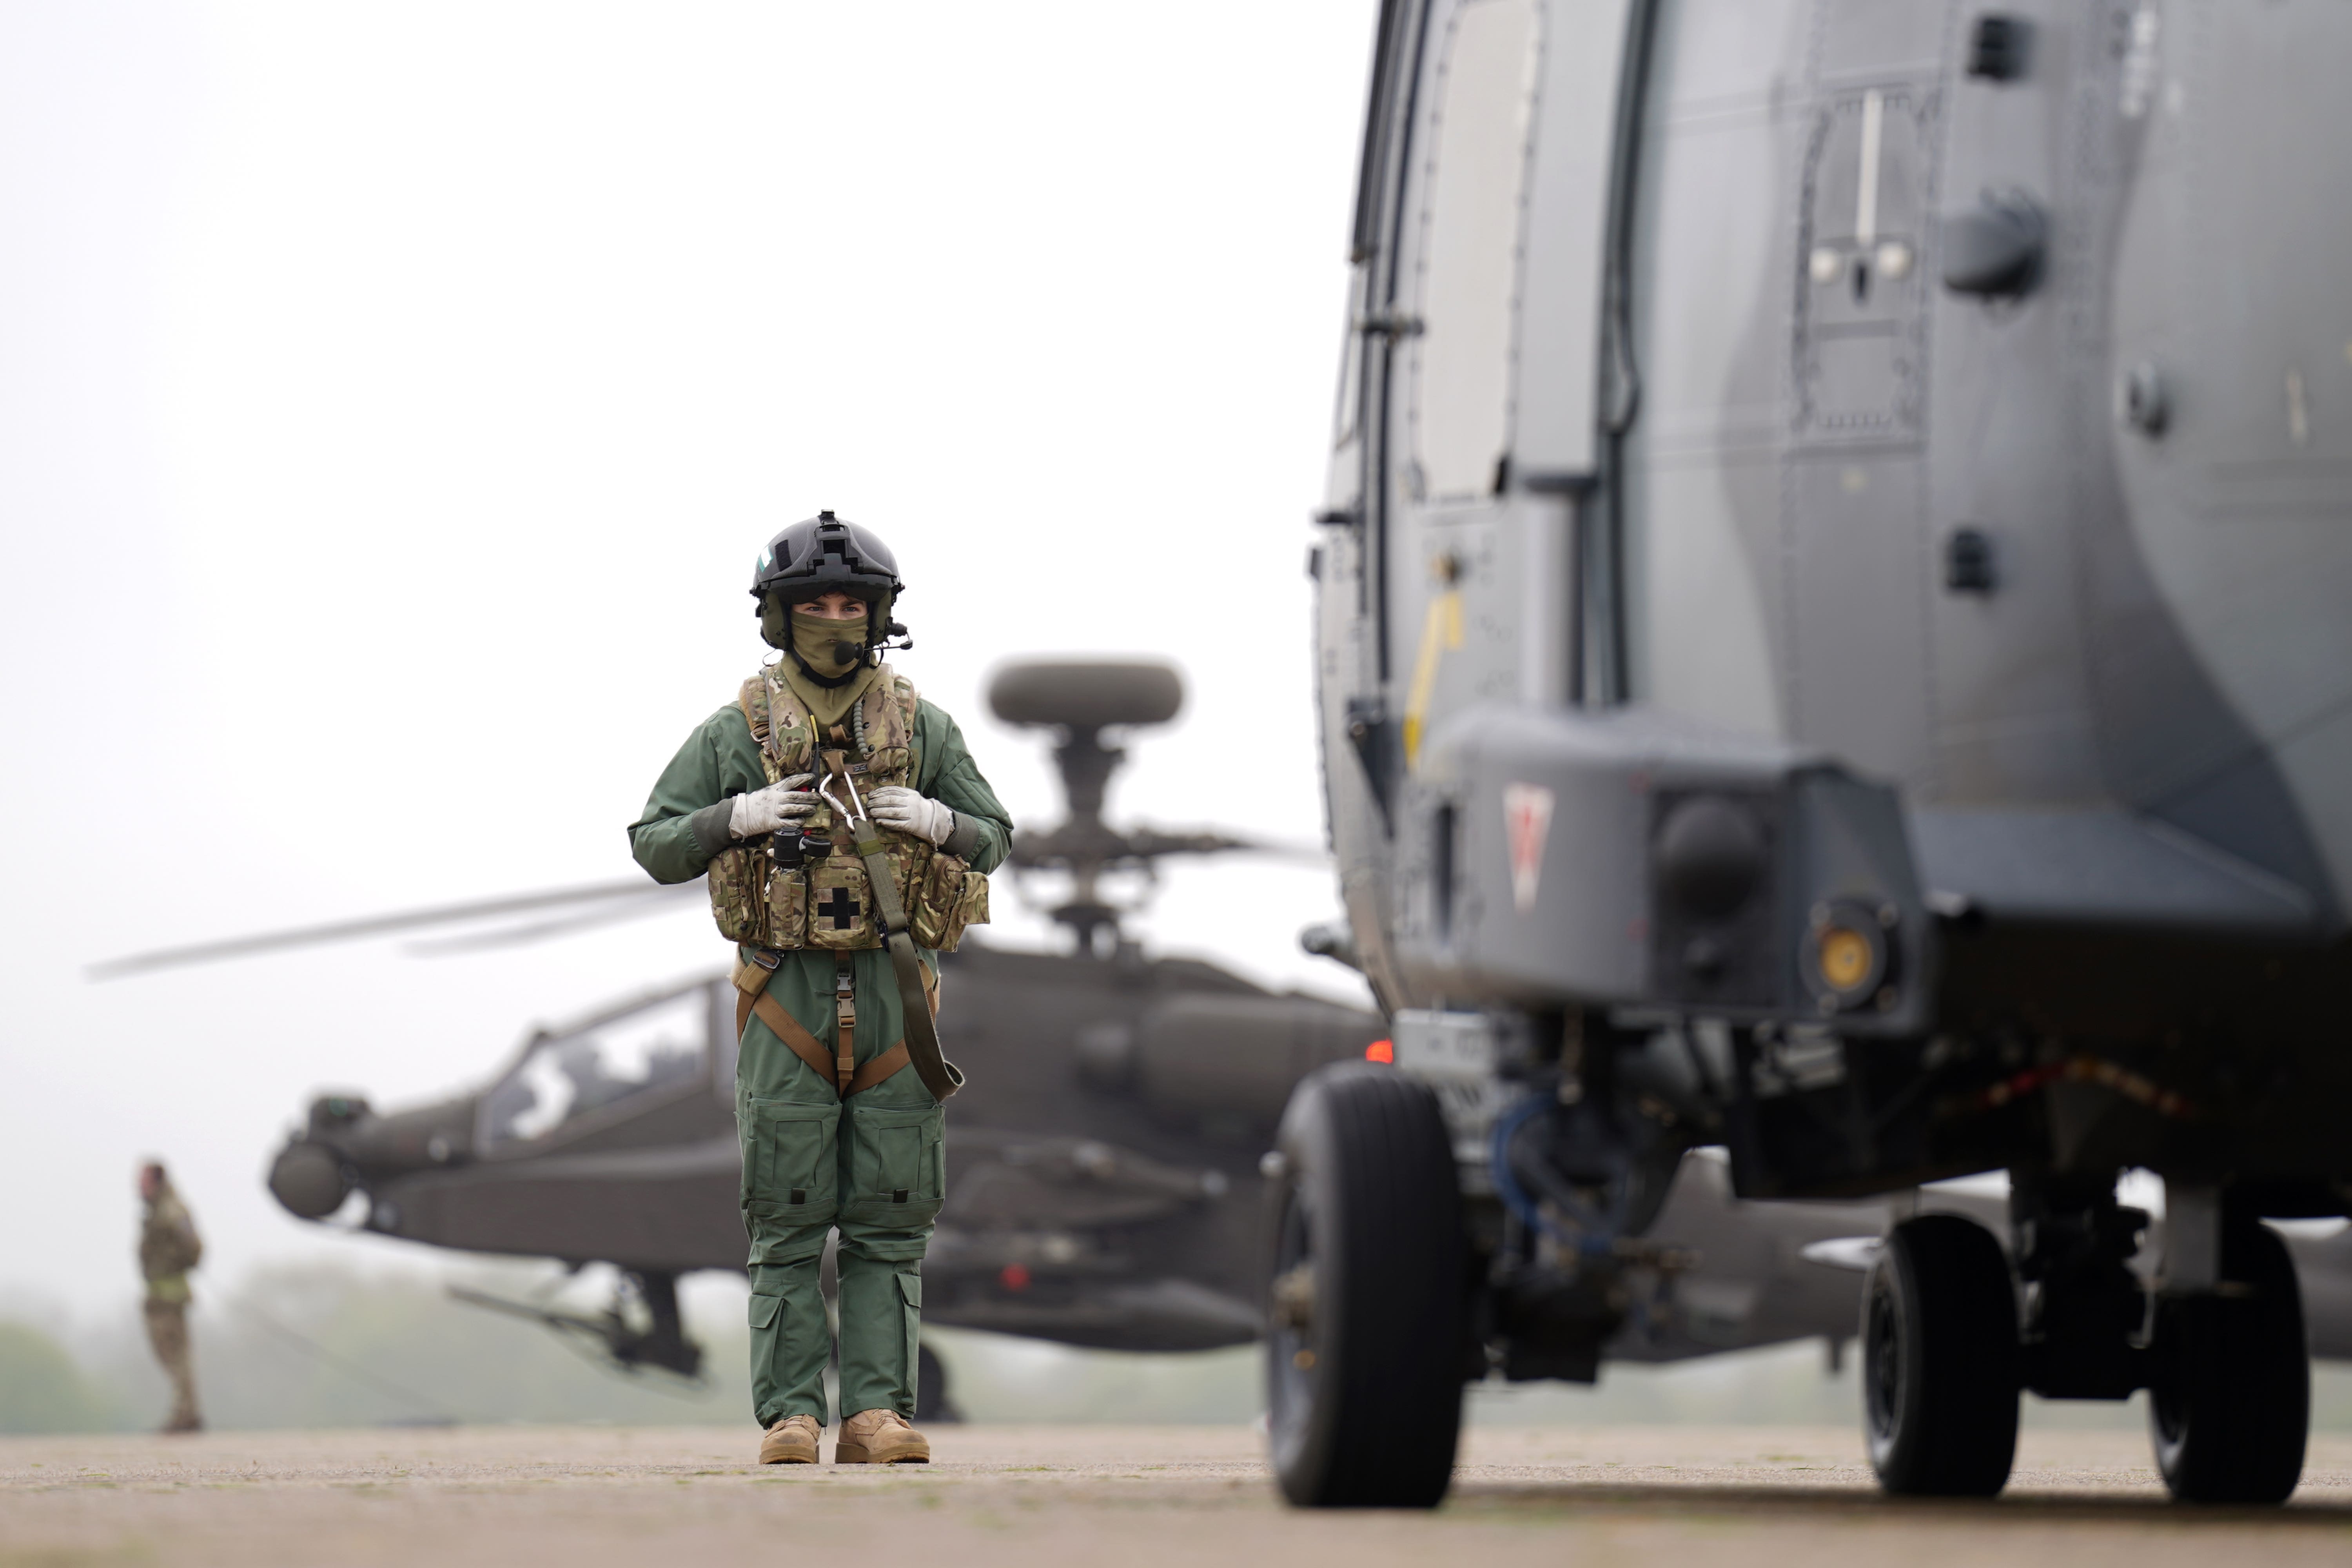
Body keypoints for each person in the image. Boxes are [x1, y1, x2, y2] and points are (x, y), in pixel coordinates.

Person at [629, 511, 1011, 1465]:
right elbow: (656, 841)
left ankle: (877, 1412)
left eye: (851, 604)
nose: (835, 619)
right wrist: (736, 814)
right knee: (787, 1208)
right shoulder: (735, 731)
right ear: (781, 618)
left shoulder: (925, 729)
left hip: (897, 993)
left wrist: (936, 820)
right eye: (815, 606)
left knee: (891, 1210)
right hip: (784, 991)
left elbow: (995, 834)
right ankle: (792, 1413)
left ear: (878, 615)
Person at [137, 1161, 203, 1434]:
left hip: (171, 1294)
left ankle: (186, 1415)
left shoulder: (171, 1211)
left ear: (157, 1180)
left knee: (177, 1356)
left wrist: (175, 1263)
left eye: (142, 1179)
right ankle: (185, 1412)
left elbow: (194, 1248)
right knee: (168, 1356)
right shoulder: (155, 1211)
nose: (138, 1186)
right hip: (157, 1294)